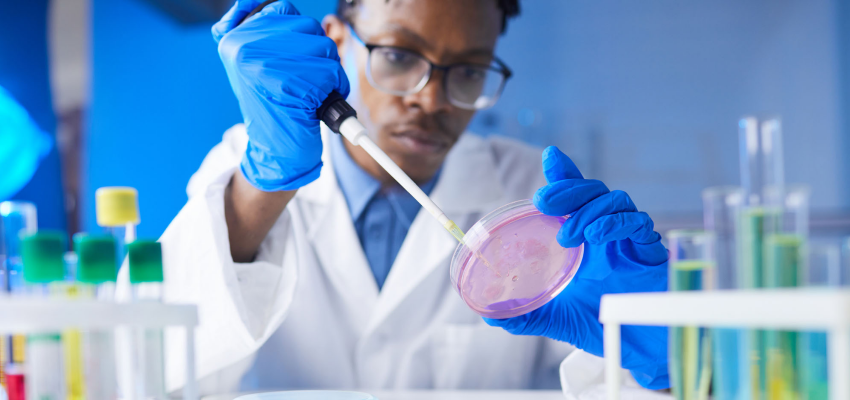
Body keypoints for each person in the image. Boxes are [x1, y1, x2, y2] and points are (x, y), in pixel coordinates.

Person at [159, 0, 669, 395]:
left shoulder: (533, 200)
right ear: (336, 43)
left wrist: (648, 348)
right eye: (399, 57)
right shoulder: (247, 167)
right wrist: (263, 186)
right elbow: (157, 363)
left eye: (469, 71)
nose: (430, 99)